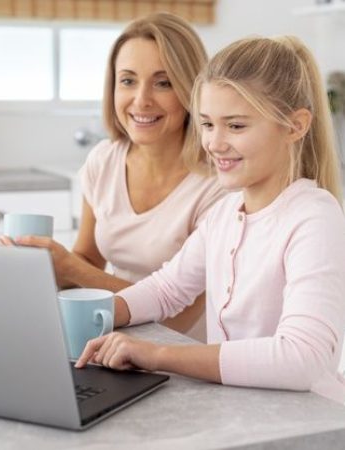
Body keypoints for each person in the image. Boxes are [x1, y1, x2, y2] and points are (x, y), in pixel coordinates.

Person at [75, 35, 345, 404]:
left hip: (308, 423)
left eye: (235, 126)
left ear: (295, 126)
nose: (214, 143)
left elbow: (302, 358)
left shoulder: (314, 217)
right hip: (238, 412)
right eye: (206, 124)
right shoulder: (225, 214)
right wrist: (89, 315)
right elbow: (167, 289)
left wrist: (156, 355)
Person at [0, 12, 223, 338]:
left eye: (163, 83)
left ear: (192, 90)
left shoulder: (217, 186)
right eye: (128, 80)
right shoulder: (104, 160)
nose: (141, 100)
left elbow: (180, 318)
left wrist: (70, 267)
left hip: (185, 358)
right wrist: (40, 268)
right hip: (114, 342)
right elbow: (88, 257)